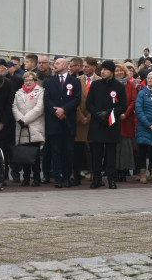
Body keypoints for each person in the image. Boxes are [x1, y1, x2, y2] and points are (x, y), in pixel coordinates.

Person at [84, 60, 127, 189]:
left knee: (111, 154)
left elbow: (123, 106)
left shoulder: (119, 87)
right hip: (97, 122)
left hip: (111, 123)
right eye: (102, 69)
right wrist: (97, 113)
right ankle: (96, 179)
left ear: (112, 72)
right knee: (96, 153)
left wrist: (108, 113)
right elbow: (89, 103)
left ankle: (111, 179)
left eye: (106, 69)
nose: (102, 72)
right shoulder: (96, 85)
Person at [42, 57, 81, 189]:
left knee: (68, 151)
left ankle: (67, 177)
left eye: (58, 63)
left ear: (65, 66)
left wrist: (64, 110)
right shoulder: (50, 81)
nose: (55, 65)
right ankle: (57, 178)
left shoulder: (74, 81)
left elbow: (77, 99)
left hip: (68, 121)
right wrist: (56, 111)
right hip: (54, 121)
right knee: (56, 151)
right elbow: (46, 99)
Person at [12, 70, 45, 186]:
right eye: (26, 80)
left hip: (34, 127)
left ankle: (36, 178)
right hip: (21, 128)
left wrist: (25, 120)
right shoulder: (18, 93)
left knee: (35, 156)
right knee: (24, 155)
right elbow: (14, 107)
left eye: (30, 80)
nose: (28, 82)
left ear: (35, 81)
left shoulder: (40, 92)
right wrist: (20, 119)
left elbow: (39, 108)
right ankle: (25, 178)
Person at [114, 61, 138, 182]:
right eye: (116, 70)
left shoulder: (130, 84)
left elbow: (133, 101)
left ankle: (124, 170)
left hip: (126, 119)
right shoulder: (111, 84)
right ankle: (115, 170)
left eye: (121, 70)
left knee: (125, 146)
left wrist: (125, 113)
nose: (119, 72)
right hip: (114, 118)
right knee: (114, 146)